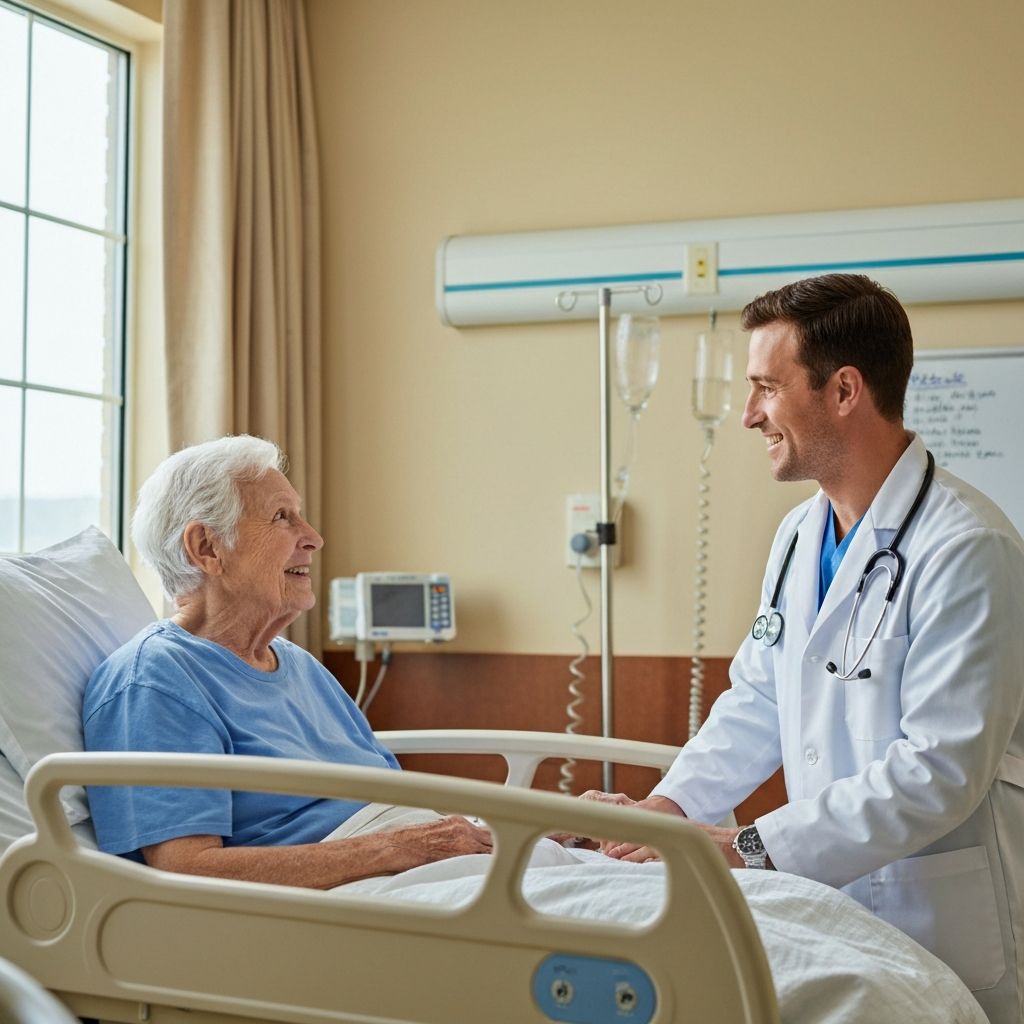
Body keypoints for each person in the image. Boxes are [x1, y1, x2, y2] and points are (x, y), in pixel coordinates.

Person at [582, 274, 1024, 1023]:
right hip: (835, 914)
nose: (749, 414)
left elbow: (941, 770)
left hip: (939, 912)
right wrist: (666, 809)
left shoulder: (968, 546)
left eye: (765, 387)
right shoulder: (798, 536)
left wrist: (747, 847)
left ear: (843, 390)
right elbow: (758, 699)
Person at [83, 435, 493, 889]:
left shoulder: (300, 666)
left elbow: (399, 812)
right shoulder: (156, 679)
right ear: (207, 548)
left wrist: (510, 834)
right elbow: (185, 870)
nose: (314, 538)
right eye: (282, 517)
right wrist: (397, 848)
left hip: (413, 860)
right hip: (346, 889)